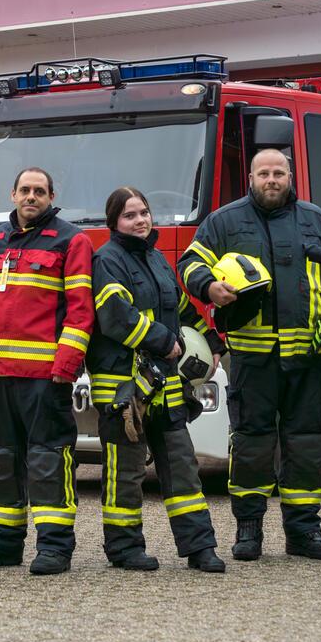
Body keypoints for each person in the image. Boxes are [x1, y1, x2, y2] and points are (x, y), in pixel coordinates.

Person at [178, 148, 321, 562]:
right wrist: (208, 288)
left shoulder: (316, 219)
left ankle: (304, 531)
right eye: (264, 173)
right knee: (252, 444)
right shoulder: (224, 220)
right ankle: (248, 530)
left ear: (290, 176)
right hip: (254, 359)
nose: (272, 180)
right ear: (250, 178)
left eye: (279, 173)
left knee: (307, 444)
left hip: (307, 357)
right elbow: (188, 264)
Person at [0, 167, 94, 576]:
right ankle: (2, 542)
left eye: (39, 191)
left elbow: (82, 310)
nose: (31, 197)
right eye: (25, 190)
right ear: (12, 194)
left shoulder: (72, 241)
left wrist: (66, 367)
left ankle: (54, 546)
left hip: (44, 378)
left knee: (48, 461)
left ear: (51, 196)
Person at [87, 187, 227, 573]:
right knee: (125, 473)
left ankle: (200, 548)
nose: (140, 220)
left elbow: (179, 308)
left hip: (165, 388)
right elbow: (115, 316)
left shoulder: (157, 260)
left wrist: (211, 339)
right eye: (130, 215)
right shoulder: (107, 261)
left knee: (183, 468)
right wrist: (164, 342)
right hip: (123, 391)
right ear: (114, 222)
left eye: (144, 212)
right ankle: (124, 548)